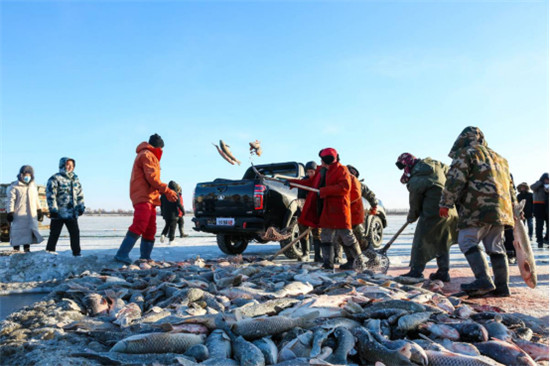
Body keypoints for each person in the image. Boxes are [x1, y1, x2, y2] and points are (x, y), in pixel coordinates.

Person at [440, 127, 516, 297]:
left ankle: (483, 280)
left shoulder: (466, 153)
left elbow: (455, 179)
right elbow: (511, 187)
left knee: (466, 240)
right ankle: (502, 287)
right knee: (496, 246)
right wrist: (515, 210)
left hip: (476, 207)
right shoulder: (500, 158)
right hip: (502, 210)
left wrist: (445, 203)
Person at [114, 134, 178, 264]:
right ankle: (122, 254)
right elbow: (152, 178)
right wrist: (167, 190)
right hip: (143, 197)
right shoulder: (146, 155)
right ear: (159, 147)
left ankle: (145, 257)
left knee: (150, 228)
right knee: (140, 224)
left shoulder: (150, 155)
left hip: (151, 198)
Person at [395, 153, 457, 281]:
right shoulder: (434, 163)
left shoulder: (416, 179)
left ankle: (416, 271)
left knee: (420, 239)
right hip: (449, 209)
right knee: (443, 240)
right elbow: (452, 174)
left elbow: (415, 202)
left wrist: (412, 216)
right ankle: (443, 272)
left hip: (433, 212)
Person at [316, 148, 366, 270]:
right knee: (327, 235)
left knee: (347, 236)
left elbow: (348, 190)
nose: (321, 162)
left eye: (322, 159)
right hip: (330, 210)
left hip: (344, 211)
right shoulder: (325, 172)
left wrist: (327, 192)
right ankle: (329, 264)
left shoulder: (344, 172)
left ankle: (359, 262)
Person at [46, 157, 85, 256]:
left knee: (75, 234)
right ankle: (49, 254)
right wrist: (53, 209)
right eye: (68, 165)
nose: (70, 167)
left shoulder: (75, 179)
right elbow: (51, 195)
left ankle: (77, 254)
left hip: (71, 213)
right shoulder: (55, 178)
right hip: (58, 213)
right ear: (62, 165)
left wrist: (81, 207)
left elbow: (80, 195)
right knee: (54, 234)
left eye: (72, 165)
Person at [289, 161, 323, 262]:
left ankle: (317, 255)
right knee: (303, 232)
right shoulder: (303, 182)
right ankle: (305, 254)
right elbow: (301, 198)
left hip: (316, 212)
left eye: (312, 171)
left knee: (317, 234)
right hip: (304, 211)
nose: (309, 174)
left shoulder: (320, 181)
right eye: (308, 172)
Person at [7, 165, 44, 252]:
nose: (27, 177)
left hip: (31, 214)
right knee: (18, 232)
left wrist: (39, 210)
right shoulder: (14, 187)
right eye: (25, 174)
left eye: (29, 175)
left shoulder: (33, 187)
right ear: (21, 175)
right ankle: (16, 249)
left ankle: (27, 248)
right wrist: (10, 212)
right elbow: (11, 201)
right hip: (18, 214)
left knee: (28, 231)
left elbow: (36, 199)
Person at [346, 165, 378, 250]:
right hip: (344, 215)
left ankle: (373, 258)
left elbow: (371, 196)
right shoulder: (342, 184)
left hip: (356, 215)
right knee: (341, 237)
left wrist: (374, 206)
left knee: (360, 237)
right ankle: (346, 258)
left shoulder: (360, 185)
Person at [159, 181, 185, 245]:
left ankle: (163, 234)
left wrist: (162, 212)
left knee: (167, 225)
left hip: (166, 213)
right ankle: (171, 240)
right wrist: (183, 211)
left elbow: (161, 205)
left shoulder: (163, 195)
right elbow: (179, 204)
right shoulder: (175, 194)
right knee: (172, 227)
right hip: (174, 213)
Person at [531, 173, 549, 248]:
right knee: (539, 225)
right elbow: (532, 187)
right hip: (539, 206)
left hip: (548, 206)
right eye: (545, 179)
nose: (547, 181)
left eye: (548, 179)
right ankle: (539, 240)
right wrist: (541, 183)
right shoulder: (538, 184)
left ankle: (547, 239)